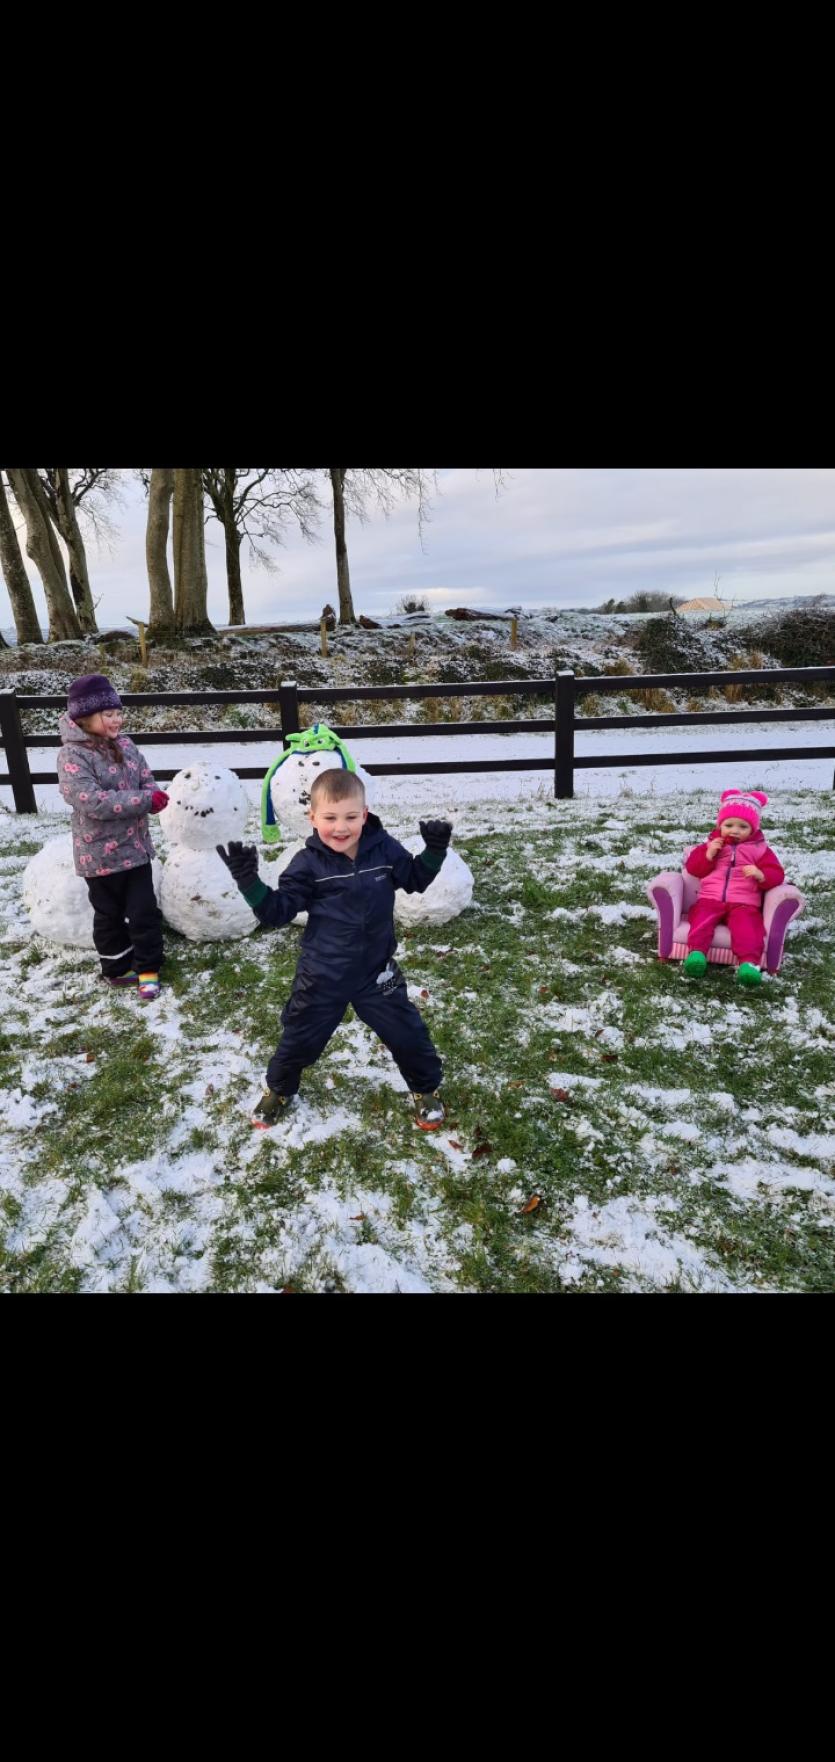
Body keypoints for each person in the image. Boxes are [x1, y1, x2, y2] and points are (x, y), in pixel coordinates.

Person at [217, 768, 452, 1129]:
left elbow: (415, 878)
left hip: (376, 972)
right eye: (330, 818)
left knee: (408, 1033)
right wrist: (249, 882)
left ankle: (425, 1089)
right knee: (298, 1038)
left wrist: (434, 852)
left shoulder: (383, 849)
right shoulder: (307, 864)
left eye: (350, 817)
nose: (340, 827)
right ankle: (278, 1090)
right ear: (312, 817)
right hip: (323, 974)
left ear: (365, 814)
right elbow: (277, 912)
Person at [56, 673, 169, 1001]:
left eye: (119, 712)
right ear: (85, 718)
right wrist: (144, 801)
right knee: (109, 915)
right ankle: (117, 967)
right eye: (109, 714)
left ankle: (148, 968)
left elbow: (145, 778)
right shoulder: (72, 756)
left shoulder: (126, 745)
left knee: (144, 911)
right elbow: (90, 800)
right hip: (99, 857)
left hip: (135, 849)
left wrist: (153, 794)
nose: (117, 719)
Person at [682, 788, 785, 987]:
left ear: (753, 829)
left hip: (744, 903)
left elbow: (776, 873)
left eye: (743, 826)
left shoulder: (760, 850)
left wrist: (761, 874)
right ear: (720, 825)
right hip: (710, 899)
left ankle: (748, 965)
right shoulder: (711, 845)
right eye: (728, 825)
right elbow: (694, 868)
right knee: (701, 921)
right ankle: (696, 955)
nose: (734, 831)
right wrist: (708, 855)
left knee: (748, 929)